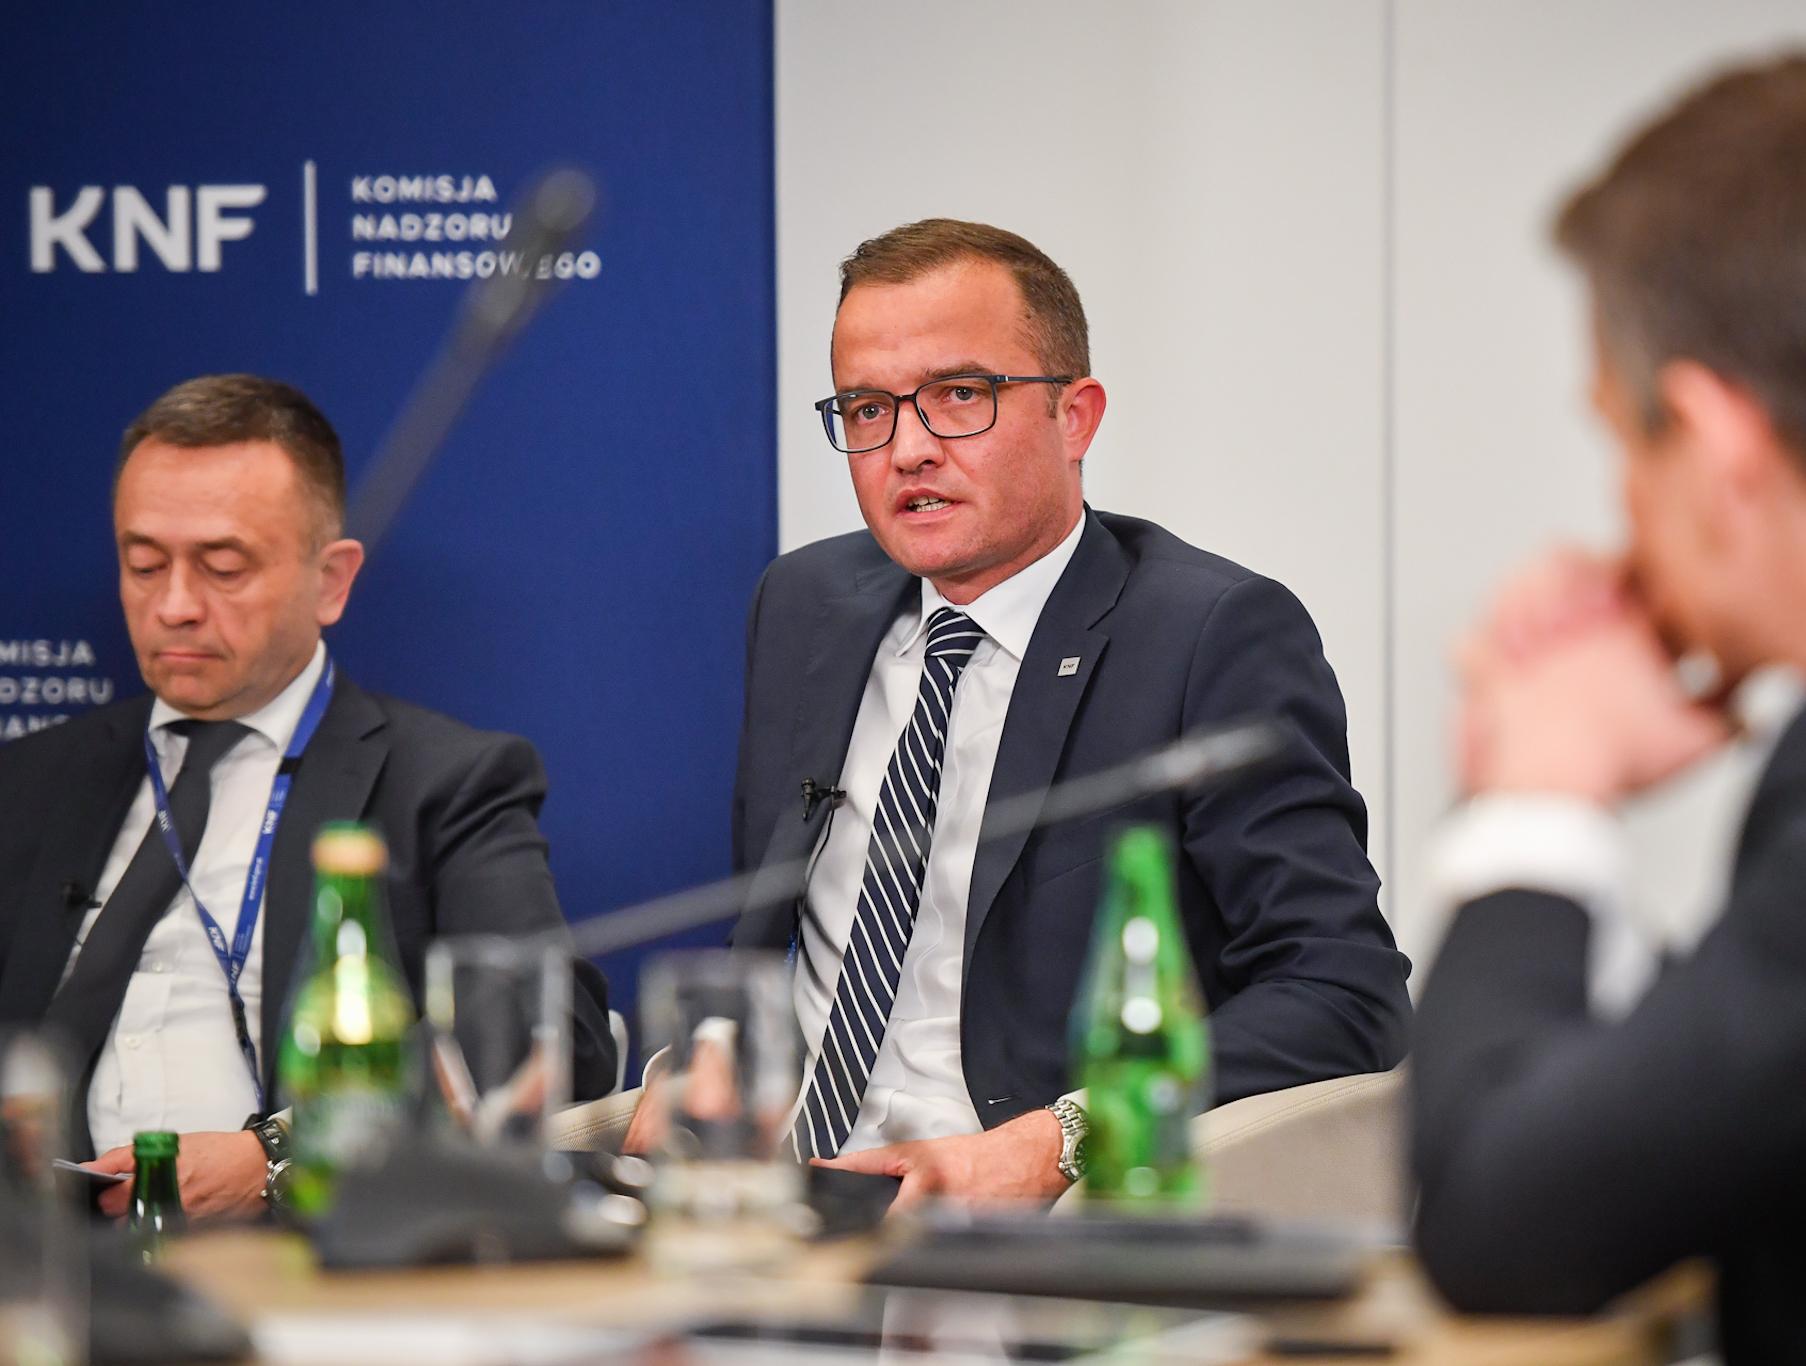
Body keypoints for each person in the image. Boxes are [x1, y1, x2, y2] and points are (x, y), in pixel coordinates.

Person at [1409, 54, 1806, 1365]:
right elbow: (1746, 1073)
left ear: (1713, 443)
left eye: (1620, 439)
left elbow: (1501, 1217)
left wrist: (1542, 782)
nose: (1620, 506)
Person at [626, 219, 1409, 1202]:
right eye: (867, 409)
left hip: (1016, 1211)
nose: (908, 449)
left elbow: (1342, 993)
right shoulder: (802, 605)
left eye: (960, 395)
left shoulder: (1207, 635)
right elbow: (778, 938)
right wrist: (709, 1051)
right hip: (771, 1194)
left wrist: (1061, 1139)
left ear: (1074, 417)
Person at [0, 374, 617, 1220]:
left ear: (331, 580)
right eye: (143, 565)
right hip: (44, 1250)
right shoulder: (32, 780)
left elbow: (554, 1041)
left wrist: (281, 1156)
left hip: (298, 1249)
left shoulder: (444, 782)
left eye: (222, 568)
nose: (174, 606)